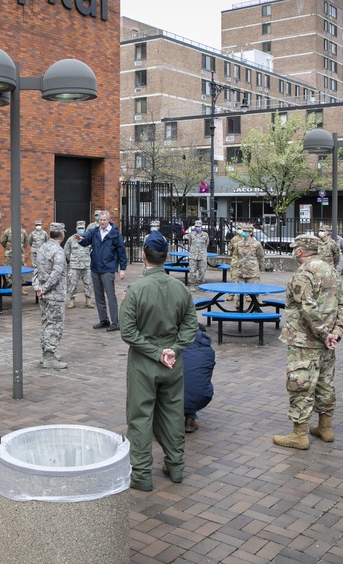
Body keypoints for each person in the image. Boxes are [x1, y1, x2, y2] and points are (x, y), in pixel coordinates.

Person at [120, 231, 198, 491]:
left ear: (144, 256)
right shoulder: (181, 288)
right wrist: (173, 349)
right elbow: (190, 326)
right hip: (173, 364)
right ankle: (175, 466)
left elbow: (127, 331)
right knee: (174, 415)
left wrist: (155, 352)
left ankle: (142, 475)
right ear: (166, 257)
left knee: (140, 417)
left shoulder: (136, 290)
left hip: (144, 363)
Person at [273, 234, 343, 450]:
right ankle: (326, 427)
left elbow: (307, 308)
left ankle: (299, 434)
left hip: (305, 341)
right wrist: (336, 333)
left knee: (300, 384)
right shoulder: (331, 271)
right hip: (328, 342)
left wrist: (325, 335)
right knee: (325, 382)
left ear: (299, 252)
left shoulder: (303, 273)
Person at [77, 210, 127, 332]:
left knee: (111, 296)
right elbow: (85, 241)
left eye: (104, 220)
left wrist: (123, 269)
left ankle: (115, 322)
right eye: (101, 220)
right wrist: (80, 239)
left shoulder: (115, 233)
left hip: (108, 269)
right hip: (95, 268)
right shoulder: (94, 231)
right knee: (99, 296)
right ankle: (104, 320)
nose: (102, 222)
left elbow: (121, 251)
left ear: (108, 220)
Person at [33, 222, 68, 370]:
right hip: (54, 294)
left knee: (46, 323)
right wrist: (45, 288)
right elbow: (56, 274)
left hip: (43, 294)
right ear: (62, 234)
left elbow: (36, 269)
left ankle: (46, 353)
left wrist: (38, 288)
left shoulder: (42, 248)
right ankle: (49, 355)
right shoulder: (58, 251)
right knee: (54, 325)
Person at [182, 323, 215, 434]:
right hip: (201, 398)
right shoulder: (209, 350)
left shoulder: (174, 345)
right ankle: (190, 418)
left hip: (173, 398)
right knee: (196, 382)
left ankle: (166, 420)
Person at [226, 222, 265, 309]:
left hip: (252, 271)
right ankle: (239, 308)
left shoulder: (257, 244)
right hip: (241, 271)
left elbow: (261, 257)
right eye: (243, 231)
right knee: (240, 293)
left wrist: (261, 268)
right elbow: (235, 256)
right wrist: (235, 268)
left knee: (254, 292)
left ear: (250, 233)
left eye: (246, 231)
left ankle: (256, 309)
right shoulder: (239, 244)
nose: (244, 233)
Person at [63, 220, 94, 309]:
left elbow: (92, 250)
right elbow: (66, 250)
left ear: (85, 229)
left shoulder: (88, 238)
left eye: (82, 228)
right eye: (79, 228)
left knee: (88, 283)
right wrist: (71, 259)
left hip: (86, 265)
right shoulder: (71, 239)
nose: (81, 229)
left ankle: (88, 300)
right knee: (72, 283)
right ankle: (72, 300)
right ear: (76, 228)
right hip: (74, 265)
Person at [0, 225, 29, 292]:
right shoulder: (7, 231)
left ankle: (20, 289)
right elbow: (2, 241)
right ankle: (10, 288)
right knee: (8, 270)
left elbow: (26, 242)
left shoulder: (23, 231)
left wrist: (21, 249)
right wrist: (8, 248)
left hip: (20, 254)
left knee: (21, 270)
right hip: (9, 254)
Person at [186, 220, 210, 291]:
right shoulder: (191, 234)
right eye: (196, 226)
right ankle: (192, 285)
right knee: (192, 271)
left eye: (199, 226)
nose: (197, 228)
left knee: (202, 271)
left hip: (202, 256)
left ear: (201, 226)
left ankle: (201, 284)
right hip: (193, 255)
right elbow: (189, 244)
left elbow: (207, 244)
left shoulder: (205, 235)